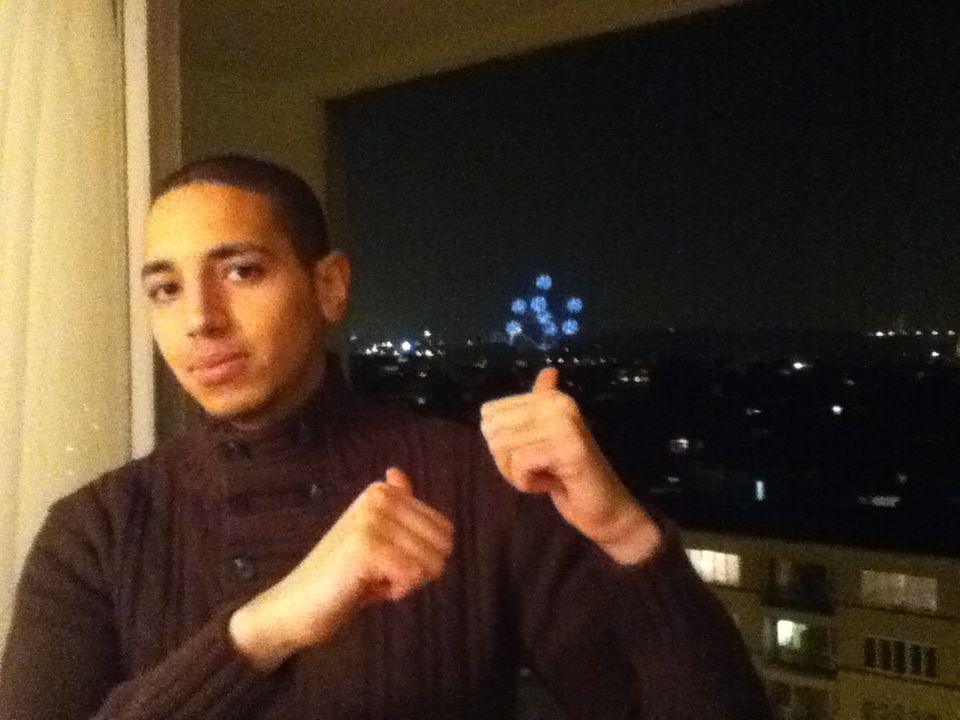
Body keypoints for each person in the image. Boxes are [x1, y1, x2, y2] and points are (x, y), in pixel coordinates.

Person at [0, 156, 771, 719]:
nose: (199, 317)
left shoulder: (473, 487)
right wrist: (264, 630)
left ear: (328, 286)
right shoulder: (97, 532)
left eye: (240, 271)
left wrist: (629, 536)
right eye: (166, 289)